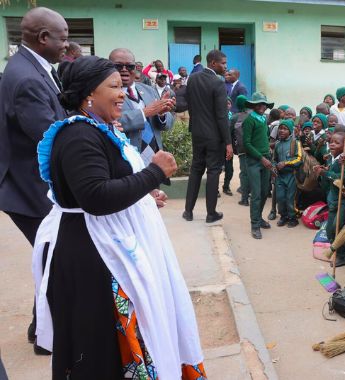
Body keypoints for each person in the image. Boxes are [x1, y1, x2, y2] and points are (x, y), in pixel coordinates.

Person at [32, 55, 205, 378]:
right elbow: (96, 197)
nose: (123, 91)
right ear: (88, 95)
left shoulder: (99, 129)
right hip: (95, 258)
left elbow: (106, 183)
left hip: (105, 245)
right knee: (101, 349)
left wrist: (142, 195)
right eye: (113, 86)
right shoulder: (79, 136)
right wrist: (154, 173)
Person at [0, 7, 68, 355]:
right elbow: (49, 137)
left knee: (51, 257)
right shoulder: (26, 78)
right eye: (63, 37)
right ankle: (46, 337)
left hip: (29, 185)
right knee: (58, 255)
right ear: (43, 38)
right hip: (28, 188)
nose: (67, 45)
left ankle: (38, 327)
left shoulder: (33, 68)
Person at [183, 49, 231, 223]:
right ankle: (211, 213)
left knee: (195, 170)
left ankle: (188, 211)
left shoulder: (193, 78)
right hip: (213, 137)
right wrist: (228, 142)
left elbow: (189, 103)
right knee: (213, 172)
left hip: (197, 133)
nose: (226, 67)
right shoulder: (218, 83)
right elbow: (221, 115)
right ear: (213, 63)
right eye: (223, 63)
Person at [109, 48, 175, 158]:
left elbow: (168, 124)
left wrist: (161, 114)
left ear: (135, 69)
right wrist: (145, 113)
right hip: (128, 161)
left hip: (155, 160)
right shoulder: (106, 93)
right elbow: (111, 123)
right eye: (118, 66)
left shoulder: (149, 90)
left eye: (130, 66)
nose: (124, 70)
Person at [315, 131, 345, 267]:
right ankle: (337, 252)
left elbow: (343, 178)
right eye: (331, 141)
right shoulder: (331, 158)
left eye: (337, 142)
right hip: (332, 198)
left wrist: (325, 173)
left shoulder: (344, 160)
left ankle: (341, 255)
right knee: (329, 230)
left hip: (342, 199)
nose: (332, 144)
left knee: (336, 227)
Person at [242, 92, 275, 239]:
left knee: (263, 192)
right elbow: (247, 144)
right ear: (254, 105)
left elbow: (263, 138)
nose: (262, 107)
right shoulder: (249, 120)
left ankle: (259, 217)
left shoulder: (263, 119)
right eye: (259, 104)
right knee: (255, 194)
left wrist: (268, 148)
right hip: (255, 161)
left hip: (265, 159)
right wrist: (262, 158)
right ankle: (254, 225)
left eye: (264, 104)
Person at [273, 119, 302, 227]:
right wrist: (274, 167)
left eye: (285, 129)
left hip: (291, 175)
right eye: (280, 128)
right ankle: (283, 216)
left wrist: (286, 163)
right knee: (280, 197)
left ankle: (293, 218)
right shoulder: (277, 144)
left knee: (290, 198)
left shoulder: (295, 143)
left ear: (290, 131)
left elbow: (299, 159)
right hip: (280, 176)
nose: (282, 131)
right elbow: (274, 159)